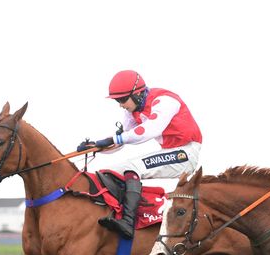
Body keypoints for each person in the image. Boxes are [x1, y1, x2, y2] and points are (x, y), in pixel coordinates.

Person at [79, 70, 203, 238]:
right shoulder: (132, 112)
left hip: (185, 153)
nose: (121, 105)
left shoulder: (165, 101)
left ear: (137, 94)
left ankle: (128, 222)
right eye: (117, 100)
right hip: (170, 151)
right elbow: (120, 142)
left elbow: (149, 130)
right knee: (112, 171)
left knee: (132, 167)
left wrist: (110, 139)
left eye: (122, 99)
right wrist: (95, 146)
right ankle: (121, 215)